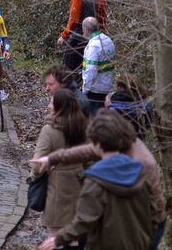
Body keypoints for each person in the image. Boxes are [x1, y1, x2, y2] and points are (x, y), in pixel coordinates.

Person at [33, 100, 166, 249]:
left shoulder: (99, 180)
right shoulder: (129, 153)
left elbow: (84, 220)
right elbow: (153, 211)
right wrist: (53, 158)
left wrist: (59, 239)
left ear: (98, 143)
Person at [30, 89, 87, 242]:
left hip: (57, 191)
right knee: (73, 238)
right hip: (79, 187)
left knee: (55, 238)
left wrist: (33, 178)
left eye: (51, 102)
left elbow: (38, 164)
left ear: (59, 107)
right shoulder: (82, 127)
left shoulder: (49, 130)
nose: (48, 106)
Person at [57, 0, 97, 73]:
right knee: (82, 69)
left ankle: (66, 88)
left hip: (76, 37)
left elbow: (73, 20)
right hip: (89, 38)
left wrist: (64, 35)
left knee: (66, 68)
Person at [79, 16, 115, 114]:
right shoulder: (108, 40)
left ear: (86, 29)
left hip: (95, 90)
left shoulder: (93, 46)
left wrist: (85, 90)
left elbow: (91, 70)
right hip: (107, 87)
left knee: (94, 120)